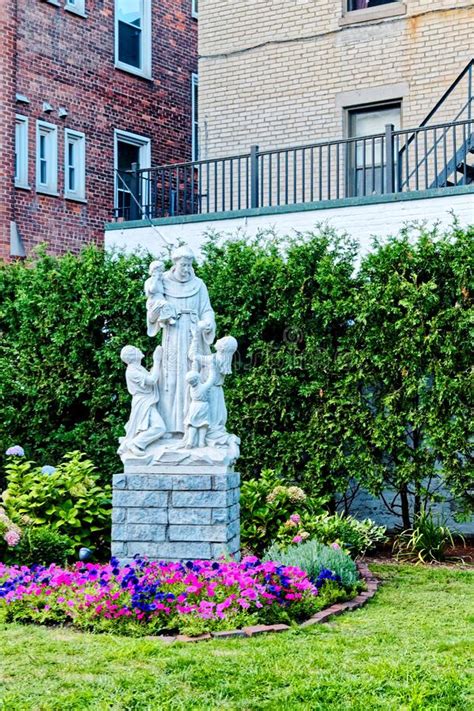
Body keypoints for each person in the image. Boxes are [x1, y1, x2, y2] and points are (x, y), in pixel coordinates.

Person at [150, 245, 216, 434]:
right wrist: (161, 312)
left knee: (193, 379)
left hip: (194, 336)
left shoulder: (199, 284)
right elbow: (153, 306)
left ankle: (192, 427)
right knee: (170, 381)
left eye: (189, 265)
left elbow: (207, 309)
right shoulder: (163, 282)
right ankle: (170, 428)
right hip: (172, 336)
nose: (187, 269)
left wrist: (208, 322)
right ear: (175, 264)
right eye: (183, 265)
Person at [118, 345, 166, 457]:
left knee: (157, 427)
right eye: (135, 349)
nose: (139, 349)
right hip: (143, 403)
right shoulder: (132, 371)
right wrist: (157, 360)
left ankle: (136, 443)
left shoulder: (138, 368)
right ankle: (135, 443)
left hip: (148, 401)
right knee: (159, 427)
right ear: (132, 356)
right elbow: (152, 380)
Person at [182, 369, 215, 449]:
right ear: (197, 378)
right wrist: (212, 368)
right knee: (203, 424)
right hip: (203, 406)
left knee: (192, 424)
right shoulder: (204, 387)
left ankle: (190, 441)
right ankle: (201, 442)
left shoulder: (190, 388)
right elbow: (211, 379)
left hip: (193, 406)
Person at [145, 260, 177, 337]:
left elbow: (168, 274)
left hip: (161, 299)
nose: (161, 273)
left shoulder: (161, 280)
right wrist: (155, 279)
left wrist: (174, 269)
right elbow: (151, 291)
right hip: (153, 301)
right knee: (164, 304)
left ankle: (163, 319)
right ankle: (163, 319)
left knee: (169, 305)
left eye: (161, 271)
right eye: (159, 271)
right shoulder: (149, 281)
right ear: (154, 271)